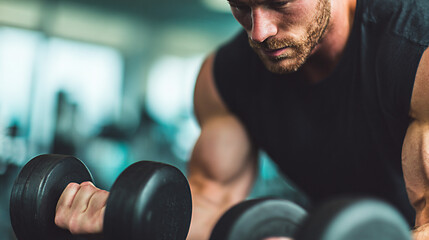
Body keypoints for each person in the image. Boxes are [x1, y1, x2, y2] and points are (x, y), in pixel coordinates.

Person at [54, 0, 429, 239]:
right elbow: (211, 198)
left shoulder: (415, 52)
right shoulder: (225, 78)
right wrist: (129, 214)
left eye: (279, 0)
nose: (259, 31)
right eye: (241, 6)